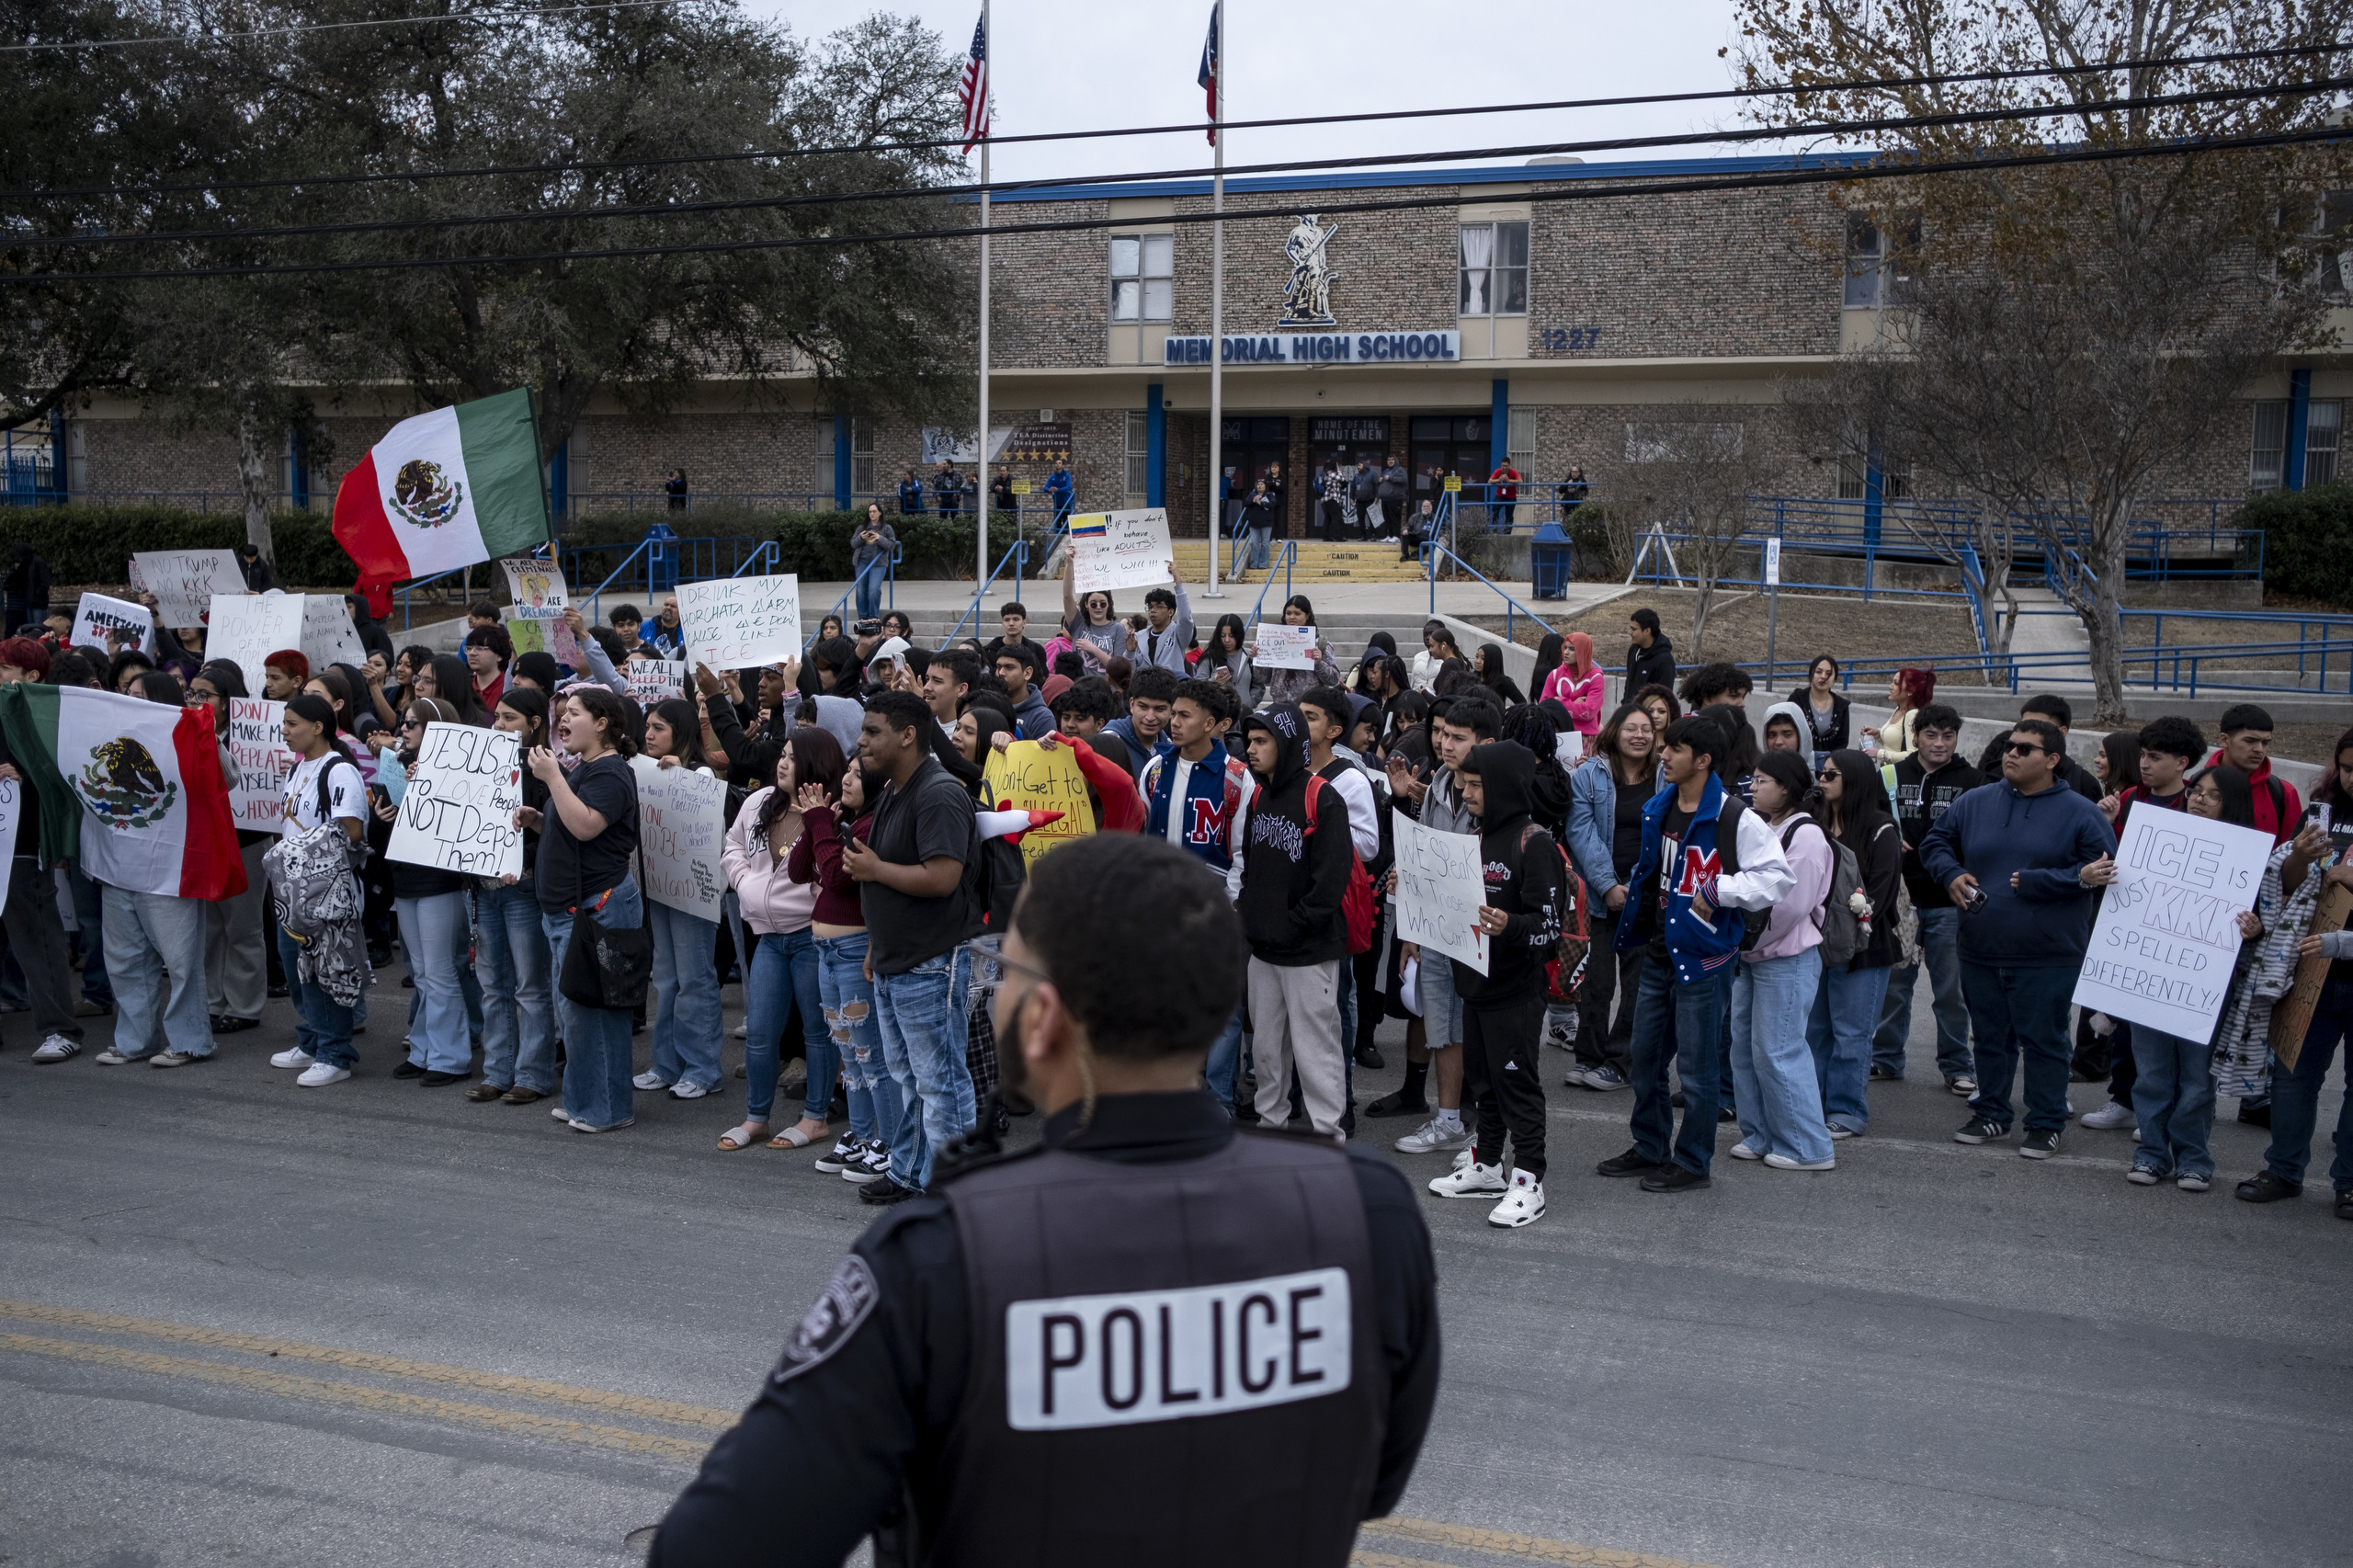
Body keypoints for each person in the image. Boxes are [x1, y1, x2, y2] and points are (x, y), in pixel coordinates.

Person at [648, 832, 1438, 1568]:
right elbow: (1373, 1482)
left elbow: (712, 1547)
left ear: (1043, 1017)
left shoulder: (939, 1256)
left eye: (1004, 969)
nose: (993, 988)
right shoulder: (1369, 1212)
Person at [1602, 713, 1793, 1192]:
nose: (1662, 754)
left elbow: (1778, 877)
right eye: (1665, 747)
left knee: (1698, 1069)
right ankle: (1650, 1147)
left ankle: (1692, 1162)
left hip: (1705, 960)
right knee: (1644, 1059)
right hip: (1658, 952)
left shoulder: (1735, 816)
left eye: (1674, 749)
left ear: (1703, 760)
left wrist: (1720, 889)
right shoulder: (1659, 805)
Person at [1920, 718, 2116, 1159]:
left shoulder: (2081, 812)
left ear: (2051, 760)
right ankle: (1990, 1112)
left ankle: (2045, 1122)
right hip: (1980, 947)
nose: (2011, 753)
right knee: (1989, 1037)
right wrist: (1949, 873)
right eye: (2010, 746)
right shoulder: (1976, 802)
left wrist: (2040, 882)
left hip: (2048, 954)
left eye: (2025, 749)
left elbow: (2103, 872)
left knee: (2045, 1041)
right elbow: (1936, 842)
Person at [844, 691, 983, 1202]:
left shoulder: (939, 793)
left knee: (939, 1081)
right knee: (907, 1076)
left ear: (907, 735)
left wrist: (874, 869)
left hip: (931, 963)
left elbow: (942, 878)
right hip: (895, 958)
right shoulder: (896, 789)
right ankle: (910, 1172)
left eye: (873, 731)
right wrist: (875, 946)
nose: (862, 741)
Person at [1423, 741, 1567, 1225]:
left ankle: (1529, 1181)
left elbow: (1549, 927)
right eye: (1464, 783)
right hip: (1474, 987)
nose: (1465, 793)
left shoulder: (1535, 842)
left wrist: (1511, 925)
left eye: (1477, 784)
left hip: (1515, 991)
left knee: (1516, 1086)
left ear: (1504, 786)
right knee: (1483, 1083)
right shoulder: (1475, 838)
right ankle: (1487, 1165)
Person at [2119, 766, 2268, 1191]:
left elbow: (2262, 925)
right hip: (2149, 978)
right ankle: (2150, 1154)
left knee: (2198, 1080)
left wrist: (2254, 931)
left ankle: (2193, 1158)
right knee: (2150, 1075)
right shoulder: (2155, 843)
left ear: (2232, 804)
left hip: (2206, 987)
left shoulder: (2249, 859)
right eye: (2196, 791)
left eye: (2212, 795)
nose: (2199, 799)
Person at [1229, 703, 1355, 1138]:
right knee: (1265, 1050)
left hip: (1308, 952)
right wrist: (1251, 916)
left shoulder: (1322, 797)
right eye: (1250, 741)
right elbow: (1249, 866)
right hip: (1264, 950)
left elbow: (1330, 883)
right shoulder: (1259, 794)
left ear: (1286, 744)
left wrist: (1292, 924)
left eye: (1262, 741)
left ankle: (1327, 1137)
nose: (1251, 750)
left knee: (1315, 1050)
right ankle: (1271, 1125)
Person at [1378, 698, 1500, 1142]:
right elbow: (1423, 857)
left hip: (1485, 935)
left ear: (1487, 743)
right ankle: (1449, 1121)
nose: (1444, 744)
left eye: (1457, 737)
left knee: (1484, 1033)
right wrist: (1411, 927)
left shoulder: (1501, 792)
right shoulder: (1438, 783)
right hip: (1438, 932)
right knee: (1443, 1025)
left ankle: (1487, 1133)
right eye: (1442, 734)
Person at [524, 687, 645, 1134]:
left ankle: (607, 1108)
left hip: (598, 910)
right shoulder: (587, 768)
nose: (562, 720)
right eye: (561, 713)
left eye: (572, 713)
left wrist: (553, 778)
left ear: (601, 723)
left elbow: (589, 826)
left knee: (595, 1012)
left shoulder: (610, 773)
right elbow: (574, 823)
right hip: (572, 911)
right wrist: (538, 820)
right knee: (575, 1010)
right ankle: (583, 1098)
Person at [721, 730, 844, 1151]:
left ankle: (815, 1117)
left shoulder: (833, 812)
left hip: (811, 938)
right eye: (783, 755)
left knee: (817, 1032)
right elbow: (733, 844)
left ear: (816, 765)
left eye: (794, 757)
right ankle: (756, 1117)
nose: (783, 763)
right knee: (760, 1031)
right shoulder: (759, 802)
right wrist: (742, 881)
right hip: (769, 938)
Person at [787, 757, 900, 1184]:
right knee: (849, 1055)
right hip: (827, 952)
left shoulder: (872, 827)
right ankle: (863, 1134)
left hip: (855, 951)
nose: (846, 780)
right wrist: (816, 825)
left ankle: (888, 1144)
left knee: (871, 1054)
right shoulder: (843, 825)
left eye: (855, 774)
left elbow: (835, 877)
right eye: (846, 772)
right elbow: (800, 872)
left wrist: (820, 825)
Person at [1728, 751, 1837, 1170]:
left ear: (1787, 788)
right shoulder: (1764, 826)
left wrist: (1742, 939)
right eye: (1752, 780)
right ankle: (1761, 1134)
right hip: (1754, 956)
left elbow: (1790, 906)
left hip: (1785, 958)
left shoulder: (1806, 835)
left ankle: (1809, 1146)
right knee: (1746, 1049)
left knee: (1779, 1050)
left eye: (1762, 781)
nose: (1753, 788)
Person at [1870, 703, 1984, 1093]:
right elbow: (1866, 819)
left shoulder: (1975, 781)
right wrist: (1886, 831)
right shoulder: (1888, 775)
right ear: (1915, 736)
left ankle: (1957, 1066)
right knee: (1894, 987)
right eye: (1931, 735)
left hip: (1948, 902)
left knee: (1950, 991)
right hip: (1899, 900)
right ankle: (1885, 1059)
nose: (1939, 743)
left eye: (1947, 736)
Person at [372, 695, 477, 1086]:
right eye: (404, 721)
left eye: (412, 723)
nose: (403, 728)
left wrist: (425, 790)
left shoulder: (456, 770)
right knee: (419, 973)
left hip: (439, 884)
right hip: (406, 879)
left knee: (439, 972)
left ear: (433, 728)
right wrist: (384, 818)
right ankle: (423, 1051)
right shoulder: (397, 765)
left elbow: (460, 826)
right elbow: (380, 832)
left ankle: (450, 1059)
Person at [270, 693, 369, 1086]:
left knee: (325, 971)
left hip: (323, 892)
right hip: (292, 892)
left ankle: (335, 1053)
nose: (285, 731)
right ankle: (314, 1040)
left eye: (292, 723)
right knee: (297, 967)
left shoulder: (340, 770)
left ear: (318, 727)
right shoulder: (298, 769)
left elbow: (352, 829)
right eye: (285, 723)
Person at [631, 698, 727, 1103]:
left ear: (681, 734)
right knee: (666, 979)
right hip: (660, 888)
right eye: (647, 727)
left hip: (693, 893)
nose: (649, 735)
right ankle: (666, 1065)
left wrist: (679, 778)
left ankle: (703, 1069)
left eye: (659, 728)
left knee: (694, 980)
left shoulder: (700, 773)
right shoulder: (648, 770)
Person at [467, 687, 557, 1105]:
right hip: (484, 891)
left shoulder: (546, 772)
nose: (498, 726)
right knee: (492, 984)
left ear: (534, 724)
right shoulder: (477, 763)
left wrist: (522, 861)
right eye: (497, 718)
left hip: (521, 890)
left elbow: (555, 834)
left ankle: (532, 1075)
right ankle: (497, 1072)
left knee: (530, 986)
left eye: (509, 719)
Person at [1807, 748, 1903, 1138]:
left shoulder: (1881, 829)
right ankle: (1811, 1104)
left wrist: (1847, 924)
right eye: (1821, 774)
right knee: (1815, 1032)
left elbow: (1880, 894)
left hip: (1864, 947)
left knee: (1851, 1034)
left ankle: (1847, 1112)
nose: (1822, 781)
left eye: (1831, 775)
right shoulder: (1812, 823)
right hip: (1814, 944)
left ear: (1855, 781)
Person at [1563, 703, 1659, 1095]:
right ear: (1614, 732)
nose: (1640, 735)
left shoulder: (1666, 778)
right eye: (1631, 728)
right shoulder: (1588, 775)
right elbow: (1581, 833)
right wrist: (1608, 885)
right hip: (1604, 896)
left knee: (1638, 983)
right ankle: (1589, 1056)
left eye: (1647, 729)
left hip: (1647, 895)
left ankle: (1620, 1063)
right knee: (1596, 979)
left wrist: (1637, 887)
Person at [2203, 703, 2302, 845]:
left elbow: (2291, 854)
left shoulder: (2284, 793)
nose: (2259, 749)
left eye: (2265, 743)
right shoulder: (2196, 786)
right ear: (2224, 740)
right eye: (2250, 741)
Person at [1255, 596, 1341, 709]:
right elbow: (1263, 679)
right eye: (1288, 613)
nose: (1292, 617)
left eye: (1297, 613)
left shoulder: (1319, 644)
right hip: (1281, 707)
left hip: (1310, 709)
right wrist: (1258, 659)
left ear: (1308, 615)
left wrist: (1319, 663)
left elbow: (1334, 679)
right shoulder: (1273, 641)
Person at [1540, 632, 1604, 745]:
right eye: (1565, 648)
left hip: (1586, 738)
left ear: (1583, 651)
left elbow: (1588, 711)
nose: (1566, 652)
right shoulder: (1554, 675)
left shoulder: (1596, 678)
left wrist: (1557, 700)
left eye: (1572, 649)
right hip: (1558, 735)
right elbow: (1544, 707)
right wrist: (1574, 704)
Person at [1133, 564, 1194, 676]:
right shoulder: (1139, 637)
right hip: (1144, 691)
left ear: (1170, 612)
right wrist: (1129, 652)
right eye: (1150, 607)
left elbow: (1185, 618)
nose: (1153, 611)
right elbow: (1130, 671)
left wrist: (1178, 581)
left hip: (1171, 690)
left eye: (1159, 607)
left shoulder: (1178, 635)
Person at [990, 642, 1056, 740]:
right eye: (999, 667)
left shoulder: (1042, 717)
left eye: (1009, 667)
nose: (1001, 673)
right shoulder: (989, 706)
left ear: (1027, 673)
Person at [1791, 654, 1850, 757]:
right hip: (1798, 761)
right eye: (1818, 672)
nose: (1823, 677)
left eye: (1829, 674)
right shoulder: (1797, 699)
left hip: (1830, 764)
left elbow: (1843, 742)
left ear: (1835, 678)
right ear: (1811, 674)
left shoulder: (1842, 706)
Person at [1200, 613, 1257, 709]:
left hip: (1243, 713)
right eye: (1223, 636)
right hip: (1218, 712)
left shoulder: (1249, 656)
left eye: (1231, 636)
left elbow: (1258, 685)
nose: (1227, 640)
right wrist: (1214, 682)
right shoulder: (1210, 657)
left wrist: (1250, 702)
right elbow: (1198, 685)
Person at [851, 503, 896, 622]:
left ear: (880, 513)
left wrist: (879, 538)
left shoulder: (886, 528)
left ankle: (873, 616)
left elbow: (892, 544)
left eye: (874, 511)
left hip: (878, 563)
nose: (872, 514)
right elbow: (853, 543)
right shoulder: (862, 528)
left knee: (874, 589)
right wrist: (861, 537)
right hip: (862, 562)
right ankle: (863, 617)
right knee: (861, 589)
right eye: (870, 512)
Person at [1624, 608, 1675, 697]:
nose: (1629, 632)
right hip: (1630, 709)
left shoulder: (1664, 661)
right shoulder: (1633, 650)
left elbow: (1664, 697)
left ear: (1647, 631)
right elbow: (1629, 686)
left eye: (1634, 629)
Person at [463, 623, 511, 710]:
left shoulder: (510, 688)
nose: (472, 653)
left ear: (499, 655)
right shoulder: (463, 688)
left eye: (480, 648)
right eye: (469, 648)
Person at [5, 543, 51, 633]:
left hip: (37, 603)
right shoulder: (29, 563)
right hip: (30, 602)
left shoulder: (37, 561)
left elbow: (45, 581)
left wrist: (38, 593)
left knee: (38, 629)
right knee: (32, 630)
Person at [1472, 643, 1525, 707]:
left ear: (1493, 661)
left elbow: (1522, 703)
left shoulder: (1503, 682)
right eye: (1477, 657)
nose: (1477, 661)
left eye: (1483, 659)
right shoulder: (1471, 678)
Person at [1485, 457, 1521, 531]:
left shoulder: (1513, 472)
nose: (1504, 467)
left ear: (1510, 466)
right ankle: (1494, 529)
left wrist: (1509, 480)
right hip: (1500, 495)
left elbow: (1520, 481)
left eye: (1506, 466)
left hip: (1511, 496)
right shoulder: (1498, 471)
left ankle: (1507, 531)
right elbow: (1489, 481)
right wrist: (1499, 480)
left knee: (1509, 515)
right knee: (1495, 509)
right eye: (1503, 466)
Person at [1043, 458, 1074, 527]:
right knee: (1057, 522)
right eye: (1056, 463)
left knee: (1066, 522)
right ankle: (1058, 535)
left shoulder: (1067, 475)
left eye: (1059, 463)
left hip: (1066, 502)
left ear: (1063, 466)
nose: (1057, 464)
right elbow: (1045, 487)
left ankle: (1065, 535)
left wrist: (1058, 490)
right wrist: (1049, 489)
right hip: (1057, 502)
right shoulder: (1053, 476)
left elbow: (1068, 487)